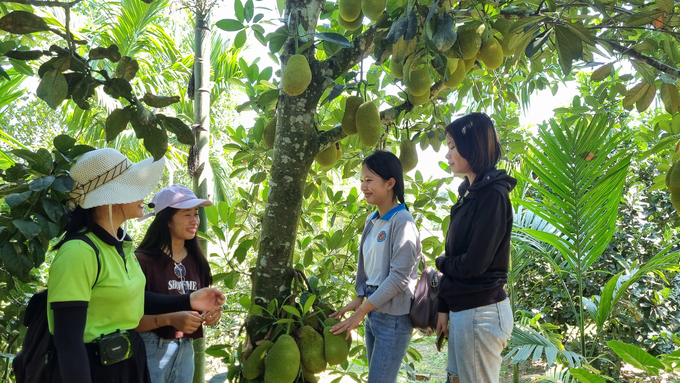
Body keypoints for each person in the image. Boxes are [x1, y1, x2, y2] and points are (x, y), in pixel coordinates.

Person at [47, 148, 225, 383]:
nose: (144, 194)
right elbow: (68, 342)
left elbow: (136, 298)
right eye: (132, 186)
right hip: (97, 368)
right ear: (110, 198)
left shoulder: (121, 247)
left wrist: (189, 300)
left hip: (129, 361)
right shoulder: (79, 252)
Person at [435, 113, 516, 383]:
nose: (448, 154)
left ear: (473, 146)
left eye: (453, 146)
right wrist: (445, 306)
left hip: (481, 312)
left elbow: (473, 263)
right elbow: (457, 255)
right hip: (464, 311)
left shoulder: (493, 194)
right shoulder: (468, 193)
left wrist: (440, 263)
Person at [330, 150, 420, 383]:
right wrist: (359, 299)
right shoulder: (372, 220)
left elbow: (399, 278)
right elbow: (367, 269)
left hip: (394, 318)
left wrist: (362, 311)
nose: (363, 186)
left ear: (390, 183)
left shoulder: (403, 223)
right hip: (373, 312)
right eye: (362, 180)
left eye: (369, 180)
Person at [134, 184, 222, 383]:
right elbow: (130, 319)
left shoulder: (197, 262)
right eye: (186, 214)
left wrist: (213, 312)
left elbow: (199, 305)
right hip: (150, 350)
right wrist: (168, 319)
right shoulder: (141, 261)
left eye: (196, 214)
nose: (195, 221)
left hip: (186, 351)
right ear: (167, 220)